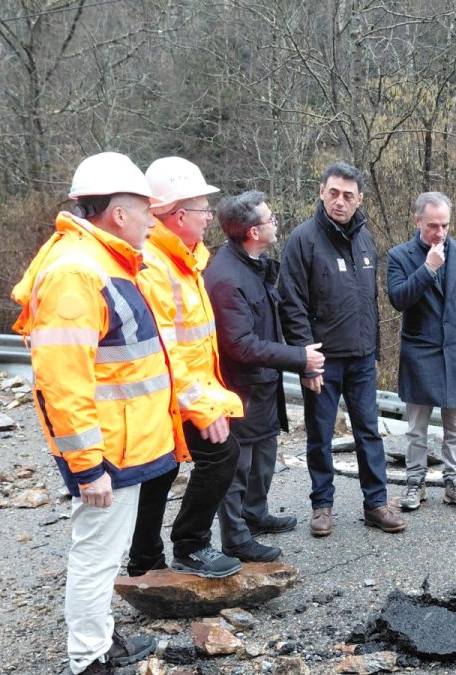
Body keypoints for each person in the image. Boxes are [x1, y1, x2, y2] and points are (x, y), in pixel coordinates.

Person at [11, 152, 180, 674]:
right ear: (117, 214)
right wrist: (88, 467)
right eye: (144, 209)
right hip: (107, 449)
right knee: (97, 554)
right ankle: (89, 658)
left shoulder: (106, 262)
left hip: (124, 443)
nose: (154, 220)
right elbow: (63, 381)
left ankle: (100, 642)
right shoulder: (76, 274)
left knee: (105, 550)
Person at [132, 156, 245, 578]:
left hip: (178, 388)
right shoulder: (157, 266)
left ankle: (146, 561)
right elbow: (168, 347)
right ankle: (190, 546)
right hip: (169, 391)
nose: (209, 218)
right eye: (202, 210)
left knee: (160, 472)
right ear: (178, 215)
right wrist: (201, 406)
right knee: (217, 456)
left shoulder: (184, 258)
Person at [279, 162, 406, 536]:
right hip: (323, 360)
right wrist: (308, 360)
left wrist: (376, 351)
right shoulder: (303, 240)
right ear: (322, 192)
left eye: (348, 195)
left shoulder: (366, 240)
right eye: (333, 192)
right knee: (320, 435)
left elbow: (371, 302)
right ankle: (322, 506)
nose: (340, 201)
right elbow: (292, 305)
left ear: (359, 199)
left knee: (369, 432)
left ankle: (376, 503)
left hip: (362, 358)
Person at [205, 191, 325, 562]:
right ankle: (236, 537)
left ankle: (255, 515)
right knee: (237, 467)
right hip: (240, 389)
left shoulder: (254, 264)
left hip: (263, 385)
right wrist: (299, 359)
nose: (276, 222)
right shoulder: (226, 277)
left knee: (264, 458)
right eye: (270, 218)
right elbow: (240, 345)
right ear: (254, 231)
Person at [386, 192, 456, 511]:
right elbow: (398, 299)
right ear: (418, 221)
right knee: (417, 430)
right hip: (419, 354)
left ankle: (454, 483)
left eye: (445, 225)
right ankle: (414, 484)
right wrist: (428, 269)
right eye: (433, 225)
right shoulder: (400, 256)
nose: (440, 232)